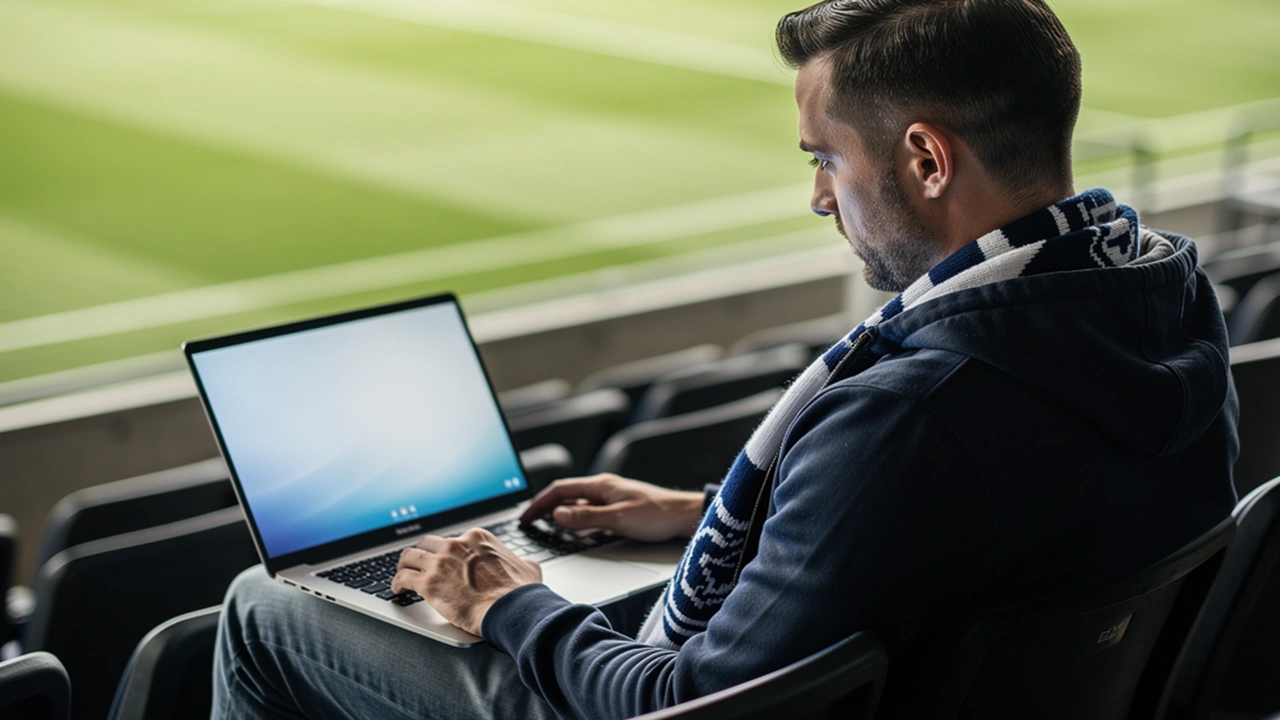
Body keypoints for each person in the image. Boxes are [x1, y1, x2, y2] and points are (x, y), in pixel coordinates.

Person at [213, 0, 1239, 718]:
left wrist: (503, 602)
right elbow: (976, 520)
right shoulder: (1157, 291)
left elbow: (682, 702)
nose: (816, 196)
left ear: (925, 160)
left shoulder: (916, 410)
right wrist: (706, 513)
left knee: (264, 611)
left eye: (823, 158)